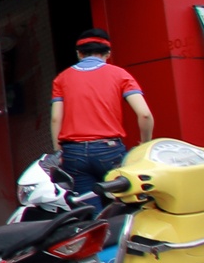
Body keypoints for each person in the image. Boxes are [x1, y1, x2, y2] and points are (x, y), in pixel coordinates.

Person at [50, 28, 154, 201]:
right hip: (109, 150)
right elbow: (144, 114)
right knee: (124, 203)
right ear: (108, 53)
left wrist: (58, 150)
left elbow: (55, 118)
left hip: (73, 153)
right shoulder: (120, 75)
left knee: (88, 207)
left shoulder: (61, 78)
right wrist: (144, 144)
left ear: (79, 53)